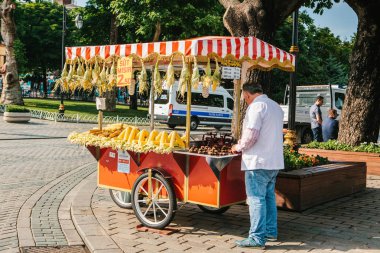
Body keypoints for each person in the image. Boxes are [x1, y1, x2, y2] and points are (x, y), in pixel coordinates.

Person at [231, 83, 284, 249]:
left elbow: (252, 134)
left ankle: (256, 237)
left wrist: (238, 147)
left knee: (256, 199)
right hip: (273, 161)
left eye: (244, 97)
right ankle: (270, 231)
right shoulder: (275, 106)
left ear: (247, 94)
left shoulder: (256, 107)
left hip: (257, 161)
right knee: (268, 197)